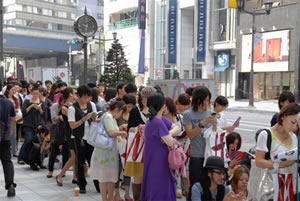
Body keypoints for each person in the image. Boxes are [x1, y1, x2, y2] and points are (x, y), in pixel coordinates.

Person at [140, 93, 180, 201]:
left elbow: (177, 128)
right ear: (163, 106)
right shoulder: (158, 122)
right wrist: (169, 135)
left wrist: (168, 134)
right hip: (160, 163)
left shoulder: (154, 120)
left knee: (155, 190)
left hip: (155, 162)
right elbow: (171, 143)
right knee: (161, 191)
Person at [255, 103, 299, 200]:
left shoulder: (294, 137)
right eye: (292, 122)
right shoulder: (266, 135)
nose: (295, 127)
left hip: (290, 187)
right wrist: (280, 165)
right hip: (271, 189)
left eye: (297, 124)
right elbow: (258, 161)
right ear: (283, 116)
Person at [90, 101, 127, 201]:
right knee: (105, 177)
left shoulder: (109, 117)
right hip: (106, 153)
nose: (120, 115)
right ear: (116, 110)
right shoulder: (108, 117)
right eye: (121, 112)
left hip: (107, 152)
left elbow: (111, 131)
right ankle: (105, 199)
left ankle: (109, 198)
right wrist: (123, 132)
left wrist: (120, 129)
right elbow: (111, 133)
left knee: (109, 177)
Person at [124, 86, 156, 201]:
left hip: (152, 147)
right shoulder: (135, 110)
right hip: (138, 149)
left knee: (150, 178)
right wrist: (142, 127)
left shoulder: (154, 110)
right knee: (138, 178)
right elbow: (129, 130)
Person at [183, 86, 216, 197]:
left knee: (209, 187)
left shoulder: (211, 113)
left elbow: (215, 135)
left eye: (208, 100)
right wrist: (202, 123)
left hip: (210, 156)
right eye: (205, 100)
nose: (206, 103)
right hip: (196, 156)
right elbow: (190, 135)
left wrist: (216, 125)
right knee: (195, 187)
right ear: (198, 99)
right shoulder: (188, 114)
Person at [68, 85, 98, 193]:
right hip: (78, 137)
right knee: (80, 162)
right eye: (85, 97)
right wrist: (84, 119)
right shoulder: (72, 108)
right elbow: (72, 125)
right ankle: (82, 185)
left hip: (91, 137)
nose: (87, 99)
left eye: (88, 97)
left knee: (92, 161)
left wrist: (95, 118)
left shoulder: (92, 105)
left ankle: (97, 184)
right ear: (79, 96)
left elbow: (95, 119)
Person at [114, 94, 136, 201]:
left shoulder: (134, 114)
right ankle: (116, 194)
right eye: (127, 106)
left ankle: (127, 194)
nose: (129, 109)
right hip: (118, 145)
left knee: (127, 170)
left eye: (131, 106)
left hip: (129, 145)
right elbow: (113, 130)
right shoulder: (118, 115)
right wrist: (121, 128)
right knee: (117, 170)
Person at [55, 87, 78, 185]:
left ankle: (75, 177)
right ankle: (60, 175)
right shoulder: (64, 108)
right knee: (73, 157)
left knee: (76, 156)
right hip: (69, 133)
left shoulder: (74, 105)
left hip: (75, 132)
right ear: (70, 95)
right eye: (74, 93)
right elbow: (74, 117)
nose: (76, 95)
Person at [18, 86, 45, 164]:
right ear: (31, 93)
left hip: (38, 125)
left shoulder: (41, 102)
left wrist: (39, 109)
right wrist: (31, 106)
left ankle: (33, 159)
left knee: (37, 142)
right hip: (28, 125)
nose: (36, 95)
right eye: (34, 93)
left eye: (37, 93)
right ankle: (21, 157)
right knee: (28, 140)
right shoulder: (26, 101)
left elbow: (43, 114)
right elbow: (24, 112)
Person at [0, 81, 17, 197]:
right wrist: (10, 131)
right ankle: (10, 186)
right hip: (4, 136)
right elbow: (14, 118)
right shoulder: (8, 102)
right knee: (7, 161)